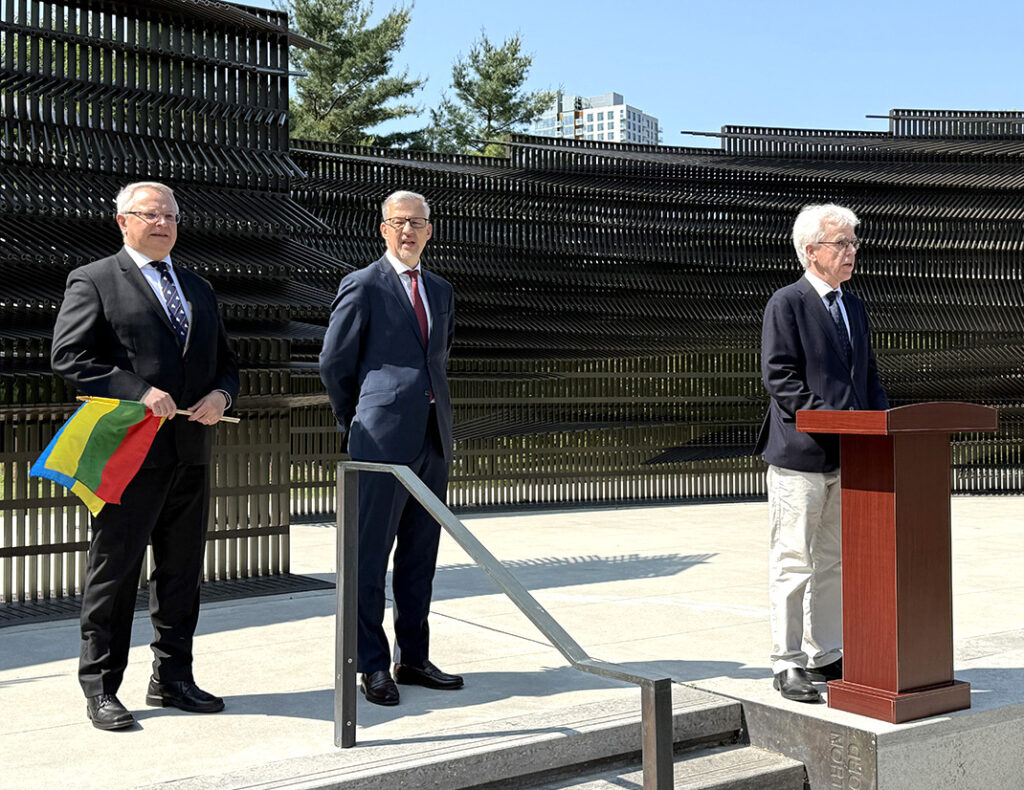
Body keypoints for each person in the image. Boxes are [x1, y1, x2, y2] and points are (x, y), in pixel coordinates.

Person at [51, 182, 239, 729]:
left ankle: (173, 678)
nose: (162, 223)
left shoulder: (199, 288)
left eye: (171, 215)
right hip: (127, 455)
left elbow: (227, 362)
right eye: (149, 214)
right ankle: (101, 687)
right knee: (115, 571)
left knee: (181, 574)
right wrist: (137, 391)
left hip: (190, 450)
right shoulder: (96, 279)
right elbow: (70, 355)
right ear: (121, 221)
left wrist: (221, 396)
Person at [319, 190, 461, 706]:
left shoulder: (441, 290)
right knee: (368, 558)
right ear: (383, 229)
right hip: (379, 442)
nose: (409, 231)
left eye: (418, 223)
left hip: (432, 440)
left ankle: (414, 659)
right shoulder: (361, 285)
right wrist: (356, 421)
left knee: (420, 557)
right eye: (399, 222)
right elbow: (335, 364)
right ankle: (371, 665)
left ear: (429, 230)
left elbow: (436, 361)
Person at [754, 204, 889, 703]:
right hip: (800, 456)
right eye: (842, 244)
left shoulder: (853, 306)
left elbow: (868, 375)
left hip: (848, 456)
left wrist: (879, 426)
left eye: (854, 243)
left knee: (833, 562)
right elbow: (779, 376)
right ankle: (786, 662)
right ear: (812, 252)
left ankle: (827, 654)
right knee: (794, 561)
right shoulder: (786, 303)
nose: (852, 252)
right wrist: (827, 420)